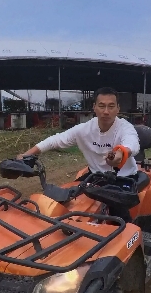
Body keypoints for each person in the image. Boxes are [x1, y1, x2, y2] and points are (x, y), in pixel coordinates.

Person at [17, 87, 141, 220]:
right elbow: (56, 140)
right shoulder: (84, 129)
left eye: (111, 106)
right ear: (94, 107)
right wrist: (27, 154)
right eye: (101, 106)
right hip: (96, 176)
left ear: (118, 108)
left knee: (119, 219)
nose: (106, 111)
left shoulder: (125, 127)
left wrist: (121, 153)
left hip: (123, 178)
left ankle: (130, 235)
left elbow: (132, 143)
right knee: (66, 197)